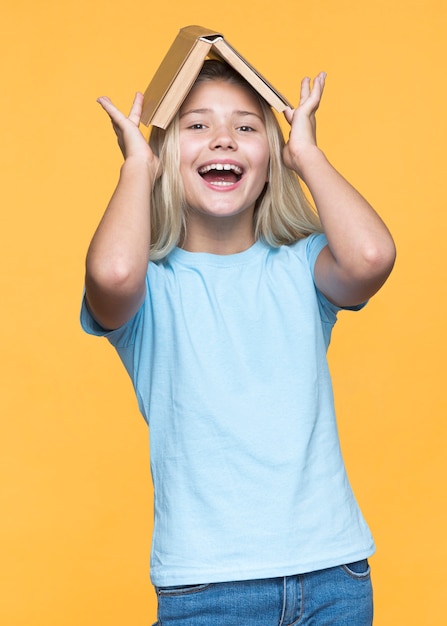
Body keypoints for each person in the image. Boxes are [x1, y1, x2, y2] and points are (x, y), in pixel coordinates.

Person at [81, 59, 395, 625]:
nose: (223, 138)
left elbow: (372, 257)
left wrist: (309, 156)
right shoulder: (151, 289)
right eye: (196, 126)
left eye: (247, 128)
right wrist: (135, 169)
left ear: (272, 160)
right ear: (163, 154)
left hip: (334, 576)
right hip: (207, 587)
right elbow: (111, 277)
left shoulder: (302, 269)